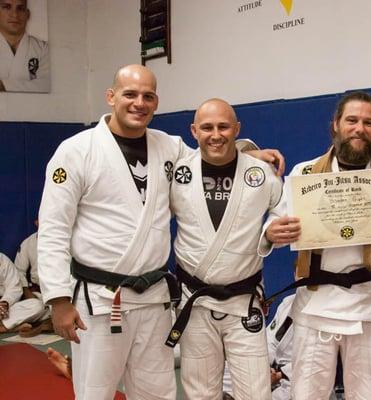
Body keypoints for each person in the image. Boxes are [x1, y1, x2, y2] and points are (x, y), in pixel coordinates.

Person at [37, 65, 284, 400]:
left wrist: (248, 153)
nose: (139, 102)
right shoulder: (76, 151)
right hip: (99, 298)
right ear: (111, 97)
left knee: (158, 392)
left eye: (148, 96)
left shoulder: (167, 147)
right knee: (95, 391)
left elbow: (211, 154)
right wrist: (58, 299)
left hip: (153, 300)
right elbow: (53, 228)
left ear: (156, 102)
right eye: (130, 94)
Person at [263, 91, 371, 399]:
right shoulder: (305, 174)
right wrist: (272, 232)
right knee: (306, 393)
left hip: (368, 303)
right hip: (314, 303)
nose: (359, 128)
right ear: (335, 124)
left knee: (366, 393)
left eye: (368, 122)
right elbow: (274, 223)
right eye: (352, 120)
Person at [166, 98, 283, 400]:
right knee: (200, 393)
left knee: (256, 393)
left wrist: (270, 234)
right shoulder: (178, 173)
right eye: (207, 127)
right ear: (194, 131)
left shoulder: (261, 174)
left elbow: (285, 211)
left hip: (244, 303)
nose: (215, 134)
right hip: (196, 302)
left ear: (237, 129)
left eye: (223, 126)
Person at [13, 218, 53, 336]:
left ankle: (47, 322)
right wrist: (26, 293)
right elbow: (19, 271)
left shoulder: (65, 239)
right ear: (36, 223)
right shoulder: (28, 243)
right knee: (35, 306)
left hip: (63, 292)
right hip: (39, 293)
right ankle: (47, 322)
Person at [0, 0, 50, 92]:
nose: (14, 15)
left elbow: (48, 84)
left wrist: (4, 85)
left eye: (20, 8)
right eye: (7, 7)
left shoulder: (43, 49)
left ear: (27, 15)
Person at [1, 252, 47, 333]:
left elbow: (14, 287)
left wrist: (5, 303)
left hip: (5, 307)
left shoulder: (2, 259)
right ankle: (8, 327)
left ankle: (5, 326)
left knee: (37, 305)